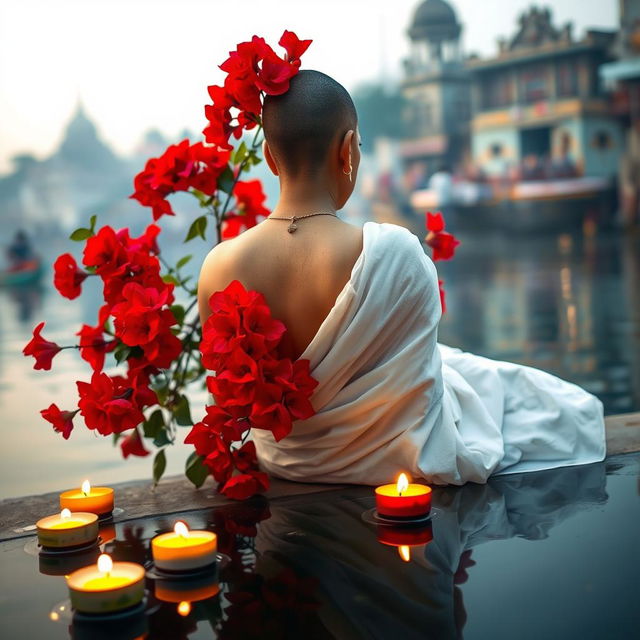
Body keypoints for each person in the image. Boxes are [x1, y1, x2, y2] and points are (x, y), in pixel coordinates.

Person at [197, 70, 605, 486]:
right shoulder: (393, 253)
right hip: (400, 462)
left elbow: (227, 397)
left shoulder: (218, 265)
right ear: (346, 152)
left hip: (286, 464)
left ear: (268, 155)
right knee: (531, 398)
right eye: (358, 145)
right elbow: (421, 393)